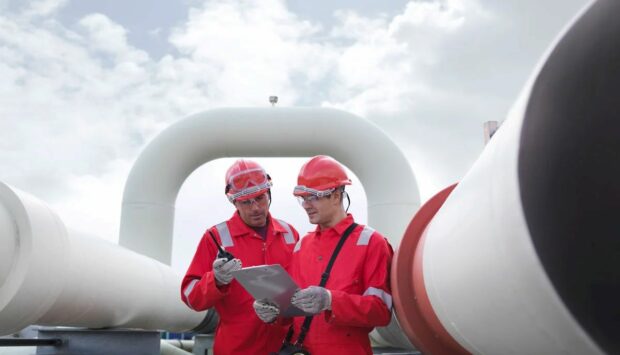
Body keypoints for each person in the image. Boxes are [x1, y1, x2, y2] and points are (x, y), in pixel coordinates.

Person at [254, 155, 394, 355]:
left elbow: (381, 311)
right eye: (303, 198)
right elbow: (292, 307)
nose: (306, 205)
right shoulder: (302, 246)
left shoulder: (371, 242)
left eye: (313, 197)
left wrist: (331, 301)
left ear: (336, 195)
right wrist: (273, 312)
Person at [181, 159, 300, 355]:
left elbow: (302, 286)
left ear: (269, 193)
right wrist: (216, 280)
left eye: (260, 198)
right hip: (236, 348)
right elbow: (190, 296)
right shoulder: (215, 238)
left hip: (285, 347)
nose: (255, 208)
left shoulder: (289, 234)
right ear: (234, 201)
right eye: (246, 202)